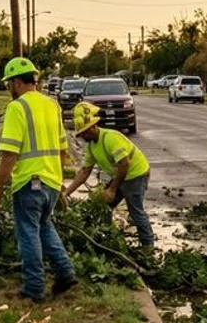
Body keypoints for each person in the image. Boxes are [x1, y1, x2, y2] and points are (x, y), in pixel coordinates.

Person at [0, 57, 78, 302]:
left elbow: (9, 154)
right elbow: (63, 149)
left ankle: (34, 287)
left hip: (29, 182)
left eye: (9, 83)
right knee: (45, 226)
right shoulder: (52, 106)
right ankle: (65, 272)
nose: (9, 88)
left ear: (17, 82)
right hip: (49, 182)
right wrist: (58, 182)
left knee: (27, 232)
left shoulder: (18, 108)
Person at [60, 102, 157, 250]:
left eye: (85, 132)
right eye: (81, 134)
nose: (83, 136)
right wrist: (67, 192)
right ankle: (107, 237)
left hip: (136, 173)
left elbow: (124, 164)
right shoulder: (92, 146)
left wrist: (112, 189)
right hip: (121, 173)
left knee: (135, 211)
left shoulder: (110, 138)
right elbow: (84, 172)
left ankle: (148, 247)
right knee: (103, 205)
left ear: (93, 126)